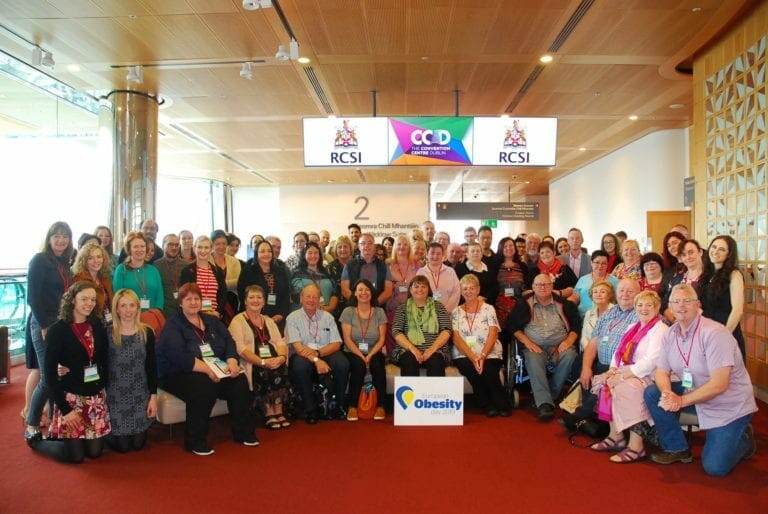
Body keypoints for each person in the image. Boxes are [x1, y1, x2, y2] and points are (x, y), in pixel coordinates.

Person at [643, 284, 757, 476]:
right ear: (669, 307)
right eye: (676, 301)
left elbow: (720, 384)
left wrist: (680, 401)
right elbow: (661, 371)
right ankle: (677, 448)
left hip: (728, 404)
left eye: (687, 300)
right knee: (653, 393)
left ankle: (745, 438)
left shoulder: (715, 333)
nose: (681, 305)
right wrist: (668, 393)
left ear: (698, 304)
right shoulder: (671, 334)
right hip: (695, 393)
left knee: (715, 468)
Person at [156, 283, 258, 455]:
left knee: (239, 381)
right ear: (180, 303)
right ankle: (195, 441)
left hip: (215, 368)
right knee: (203, 386)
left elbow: (229, 342)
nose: (193, 303)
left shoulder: (212, 321)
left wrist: (232, 361)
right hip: (177, 373)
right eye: (188, 299)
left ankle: (243, 433)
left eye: (197, 299)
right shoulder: (173, 325)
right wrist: (208, 370)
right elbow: (178, 356)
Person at [27, 281, 110, 463]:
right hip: (71, 399)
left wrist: (103, 390)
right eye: (84, 299)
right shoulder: (57, 331)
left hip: (95, 398)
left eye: (92, 300)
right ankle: (37, 442)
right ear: (72, 300)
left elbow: (104, 360)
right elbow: (48, 376)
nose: (89, 303)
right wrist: (66, 410)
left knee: (95, 452)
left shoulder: (97, 326)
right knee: (76, 457)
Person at [588, 291, 667, 463]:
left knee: (625, 389)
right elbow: (619, 351)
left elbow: (653, 360)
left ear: (657, 307)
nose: (643, 309)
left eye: (648, 305)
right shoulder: (633, 327)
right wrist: (612, 371)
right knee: (604, 382)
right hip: (628, 371)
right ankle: (615, 436)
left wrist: (624, 376)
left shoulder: (660, 329)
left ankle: (636, 447)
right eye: (640, 305)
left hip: (650, 376)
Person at [507, 273, 580, 421]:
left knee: (571, 355)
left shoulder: (564, 304)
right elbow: (511, 326)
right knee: (533, 359)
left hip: (559, 346)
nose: (543, 287)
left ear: (552, 286)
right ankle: (545, 405)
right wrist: (528, 342)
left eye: (546, 284)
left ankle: (547, 396)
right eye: (539, 285)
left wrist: (569, 341)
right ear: (533, 287)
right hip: (534, 346)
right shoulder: (523, 303)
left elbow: (577, 326)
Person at [25, 221, 74, 433]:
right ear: (49, 238)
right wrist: (45, 326)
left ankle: (56, 422)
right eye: (57, 235)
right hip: (43, 323)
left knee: (59, 375)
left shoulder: (63, 263)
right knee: (48, 376)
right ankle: (32, 423)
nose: (61, 240)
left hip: (61, 323)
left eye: (65, 236)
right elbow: (33, 298)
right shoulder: (39, 260)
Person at [228, 285, 290, 430]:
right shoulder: (237, 321)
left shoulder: (268, 320)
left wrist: (281, 356)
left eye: (259, 297)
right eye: (251, 297)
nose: (255, 300)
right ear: (245, 301)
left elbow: (280, 341)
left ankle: (279, 409)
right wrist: (262, 362)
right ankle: (268, 411)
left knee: (282, 367)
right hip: (252, 361)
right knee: (263, 372)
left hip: (273, 358)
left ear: (264, 301)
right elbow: (241, 349)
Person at [286, 284, 350, 424]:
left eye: (315, 297)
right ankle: (311, 409)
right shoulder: (292, 318)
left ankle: (337, 406)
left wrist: (318, 353)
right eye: (308, 296)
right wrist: (316, 359)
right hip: (303, 355)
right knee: (300, 367)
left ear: (320, 299)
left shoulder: (327, 317)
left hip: (324, 350)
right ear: (301, 299)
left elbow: (336, 343)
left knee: (342, 364)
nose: (311, 299)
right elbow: (297, 347)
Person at [106, 288, 158, 452]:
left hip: (139, 394)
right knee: (123, 448)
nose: (128, 310)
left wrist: (153, 397)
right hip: (115, 396)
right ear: (116, 309)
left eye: (132, 305)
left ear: (137, 307)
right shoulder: (107, 332)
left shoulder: (147, 332)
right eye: (123, 306)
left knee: (138, 445)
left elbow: (151, 367)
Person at [452, 274, 511, 417]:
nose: (468, 291)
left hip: (489, 351)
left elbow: (493, 333)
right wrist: (473, 356)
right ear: (461, 291)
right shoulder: (456, 312)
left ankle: (500, 403)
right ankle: (486, 404)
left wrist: (483, 355)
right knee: (472, 369)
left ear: (478, 290)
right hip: (464, 354)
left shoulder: (488, 308)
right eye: (465, 288)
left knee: (489, 369)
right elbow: (456, 338)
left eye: (472, 288)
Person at [340, 279, 388, 421]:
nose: (364, 293)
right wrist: (361, 356)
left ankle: (381, 406)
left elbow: (382, 339)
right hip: (352, 351)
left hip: (374, 350)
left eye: (367, 289)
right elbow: (347, 339)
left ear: (371, 293)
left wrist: (370, 355)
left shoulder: (379, 312)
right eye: (360, 289)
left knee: (377, 366)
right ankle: (352, 406)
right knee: (359, 366)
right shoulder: (348, 312)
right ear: (354, 293)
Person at [390, 275, 452, 377]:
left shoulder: (438, 306)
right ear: (410, 289)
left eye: (423, 286)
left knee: (435, 361)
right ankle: (410, 393)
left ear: (428, 289)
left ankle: (434, 393)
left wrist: (432, 349)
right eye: (416, 286)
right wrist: (413, 349)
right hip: (407, 350)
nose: (420, 289)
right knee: (409, 360)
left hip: (436, 350)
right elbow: (396, 331)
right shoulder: (402, 308)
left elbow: (447, 330)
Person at [700, 235, 745, 358]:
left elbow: (737, 310)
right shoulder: (707, 274)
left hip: (726, 331)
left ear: (729, 254)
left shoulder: (734, 274)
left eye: (722, 249)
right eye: (714, 247)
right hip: (706, 332)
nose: (715, 251)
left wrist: (724, 335)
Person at [238, 240, 291, 332]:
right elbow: (243, 294)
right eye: (262, 251)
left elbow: (286, 295)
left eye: (269, 251)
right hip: (254, 317)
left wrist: (281, 314)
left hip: (277, 318)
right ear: (256, 254)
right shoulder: (249, 271)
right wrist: (260, 315)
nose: (266, 254)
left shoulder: (280, 271)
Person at [386, 235, 420, 355]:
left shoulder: (417, 265)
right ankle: (391, 357)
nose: (402, 247)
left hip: (412, 309)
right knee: (392, 334)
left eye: (405, 244)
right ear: (395, 247)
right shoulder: (388, 265)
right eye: (399, 244)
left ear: (409, 247)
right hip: (393, 308)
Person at [112, 231, 164, 311]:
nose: (140, 250)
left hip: (151, 317)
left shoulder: (153, 270)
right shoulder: (121, 270)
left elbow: (160, 295)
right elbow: (118, 296)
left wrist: (157, 311)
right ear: (129, 249)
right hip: (128, 316)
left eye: (142, 246)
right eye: (135, 246)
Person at [180, 235, 228, 319]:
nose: (203, 251)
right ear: (194, 249)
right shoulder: (187, 271)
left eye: (206, 248)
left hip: (214, 317)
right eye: (200, 247)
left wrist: (218, 312)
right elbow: (184, 295)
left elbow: (223, 294)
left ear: (211, 249)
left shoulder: (218, 271)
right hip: (193, 316)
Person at [662, 239, 710, 323]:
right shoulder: (676, 280)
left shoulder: (711, 279)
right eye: (684, 255)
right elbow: (664, 303)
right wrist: (674, 319)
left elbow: (714, 309)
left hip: (703, 327)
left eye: (691, 252)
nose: (688, 257)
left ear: (700, 252)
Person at [341, 232, 393, 307]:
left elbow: (388, 291)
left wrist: (374, 305)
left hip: (377, 309)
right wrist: (359, 306)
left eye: (370, 243)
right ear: (359, 246)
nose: (366, 246)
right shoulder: (349, 265)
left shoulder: (383, 266)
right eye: (363, 243)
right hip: (354, 308)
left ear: (374, 246)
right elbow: (345, 290)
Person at [71, 242, 113, 325]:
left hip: (107, 321)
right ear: (84, 261)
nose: (96, 261)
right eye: (90, 258)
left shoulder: (104, 279)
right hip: (88, 323)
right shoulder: (78, 280)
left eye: (99, 257)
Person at [290, 241, 338, 314]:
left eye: (316, 253)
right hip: (303, 315)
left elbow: (335, 293)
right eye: (310, 253)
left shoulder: (326, 272)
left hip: (326, 315)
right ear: (304, 255)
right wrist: (314, 308)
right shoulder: (296, 273)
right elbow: (294, 295)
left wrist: (329, 308)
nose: (313, 256)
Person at [571, 250, 619, 319]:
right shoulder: (583, 279)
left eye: (604, 263)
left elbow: (619, 300)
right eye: (597, 262)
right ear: (591, 263)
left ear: (607, 264)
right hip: (583, 317)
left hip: (608, 318)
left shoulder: (615, 281)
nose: (600, 266)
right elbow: (575, 297)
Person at [493, 236, 527, 329]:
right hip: (499, 307)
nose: (508, 248)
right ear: (501, 248)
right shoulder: (495, 265)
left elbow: (527, 285)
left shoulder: (522, 266)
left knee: (517, 332)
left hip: (518, 306)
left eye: (511, 245)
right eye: (505, 246)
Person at [417, 243, 461, 313]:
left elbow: (456, 292)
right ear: (427, 254)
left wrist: (445, 311)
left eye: (438, 254)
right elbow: (417, 293)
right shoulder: (421, 273)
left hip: (447, 314)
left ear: (443, 255)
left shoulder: (450, 271)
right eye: (432, 253)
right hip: (426, 314)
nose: (435, 256)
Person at [154, 233, 185, 319]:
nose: (174, 248)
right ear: (163, 245)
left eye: (176, 245)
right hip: (163, 312)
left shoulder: (186, 266)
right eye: (170, 244)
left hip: (182, 312)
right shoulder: (155, 266)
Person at [579, 280, 615, 352]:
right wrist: (589, 350)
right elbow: (584, 337)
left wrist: (598, 351)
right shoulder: (589, 313)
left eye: (602, 292)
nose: (598, 295)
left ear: (609, 295)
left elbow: (611, 337)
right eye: (595, 292)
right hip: (588, 351)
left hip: (606, 352)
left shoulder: (616, 313)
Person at [327, 235, 354, 318]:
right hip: (335, 310)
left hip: (355, 307)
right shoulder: (329, 267)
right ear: (336, 249)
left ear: (350, 249)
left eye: (345, 246)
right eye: (340, 247)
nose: (342, 250)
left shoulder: (357, 265)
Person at [211, 229, 241, 295]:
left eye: (224, 243)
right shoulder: (206, 261)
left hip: (231, 299)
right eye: (218, 244)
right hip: (211, 298)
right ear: (212, 245)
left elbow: (238, 281)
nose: (221, 247)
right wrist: (228, 283)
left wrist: (218, 285)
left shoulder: (234, 261)